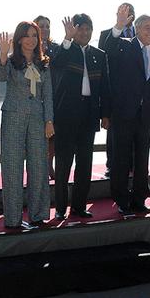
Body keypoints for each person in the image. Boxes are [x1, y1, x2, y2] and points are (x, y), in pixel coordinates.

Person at [103, 5, 150, 215]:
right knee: (121, 160)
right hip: (123, 114)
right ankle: (121, 200)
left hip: (145, 116)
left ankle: (139, 199)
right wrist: (119, 25)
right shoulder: (124, 47)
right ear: (137, 29)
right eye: (147, 28)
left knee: (142, 160)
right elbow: (108, 47)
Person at [0, 22, 54, 228]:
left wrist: (49, 121)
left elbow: (47, 94)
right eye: (27, 35)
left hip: (38, 120)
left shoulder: (44, 63)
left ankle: (37, 215)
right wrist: (3, 55)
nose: (31, 40)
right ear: (19, 39)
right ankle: (13, 219)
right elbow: (0, 78)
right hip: (13, 118)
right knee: (12, 168)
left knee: (39, 167)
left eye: (34, 36)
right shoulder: (11, 62)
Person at [51, 14, 109, 220]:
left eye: (88, 29)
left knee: (85, 164)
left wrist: (105, 114)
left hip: (89, 115)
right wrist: (67, 38)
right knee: (64, 164)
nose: (84, 33)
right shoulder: (64, 50)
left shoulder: (99, 55)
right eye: (80, 29)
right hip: (66, 115)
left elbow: (105, 88)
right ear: (74, 30)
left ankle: (78, 206)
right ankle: (59, 207)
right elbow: (56, 64)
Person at [98, 2, 136, 179]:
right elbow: (103, 59)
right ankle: (111, 165)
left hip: (135, 95)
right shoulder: (107, 35)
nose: (128, 15)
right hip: (114, 93)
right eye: (124, 12)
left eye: (131, 12)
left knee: (134, 135)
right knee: (113, 134)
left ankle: (131, 165)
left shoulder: (142, 33)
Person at [34, 15, 59, 180]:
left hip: (54, 97)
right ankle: (37, 169)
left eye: (47, 26)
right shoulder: (29, 47)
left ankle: (50, 165)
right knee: (36, 139)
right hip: (34, 99)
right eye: (41, 26)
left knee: (53, 138)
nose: (45, 29)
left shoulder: (55, 48)